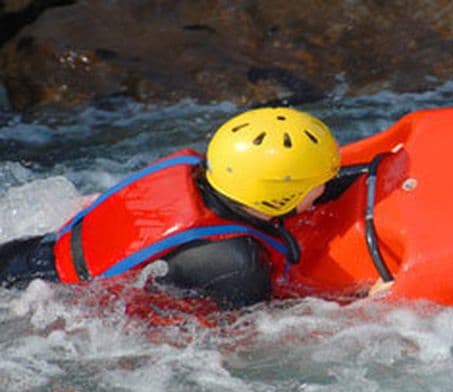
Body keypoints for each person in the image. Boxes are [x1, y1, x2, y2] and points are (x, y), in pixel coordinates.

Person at [0, 107, 345, 309]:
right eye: (320, 183)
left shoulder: (192, 173)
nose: (326, 187)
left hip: (24, 256)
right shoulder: (237, 261)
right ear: (278, 196)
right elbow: (263, 336)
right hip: (39, 306)